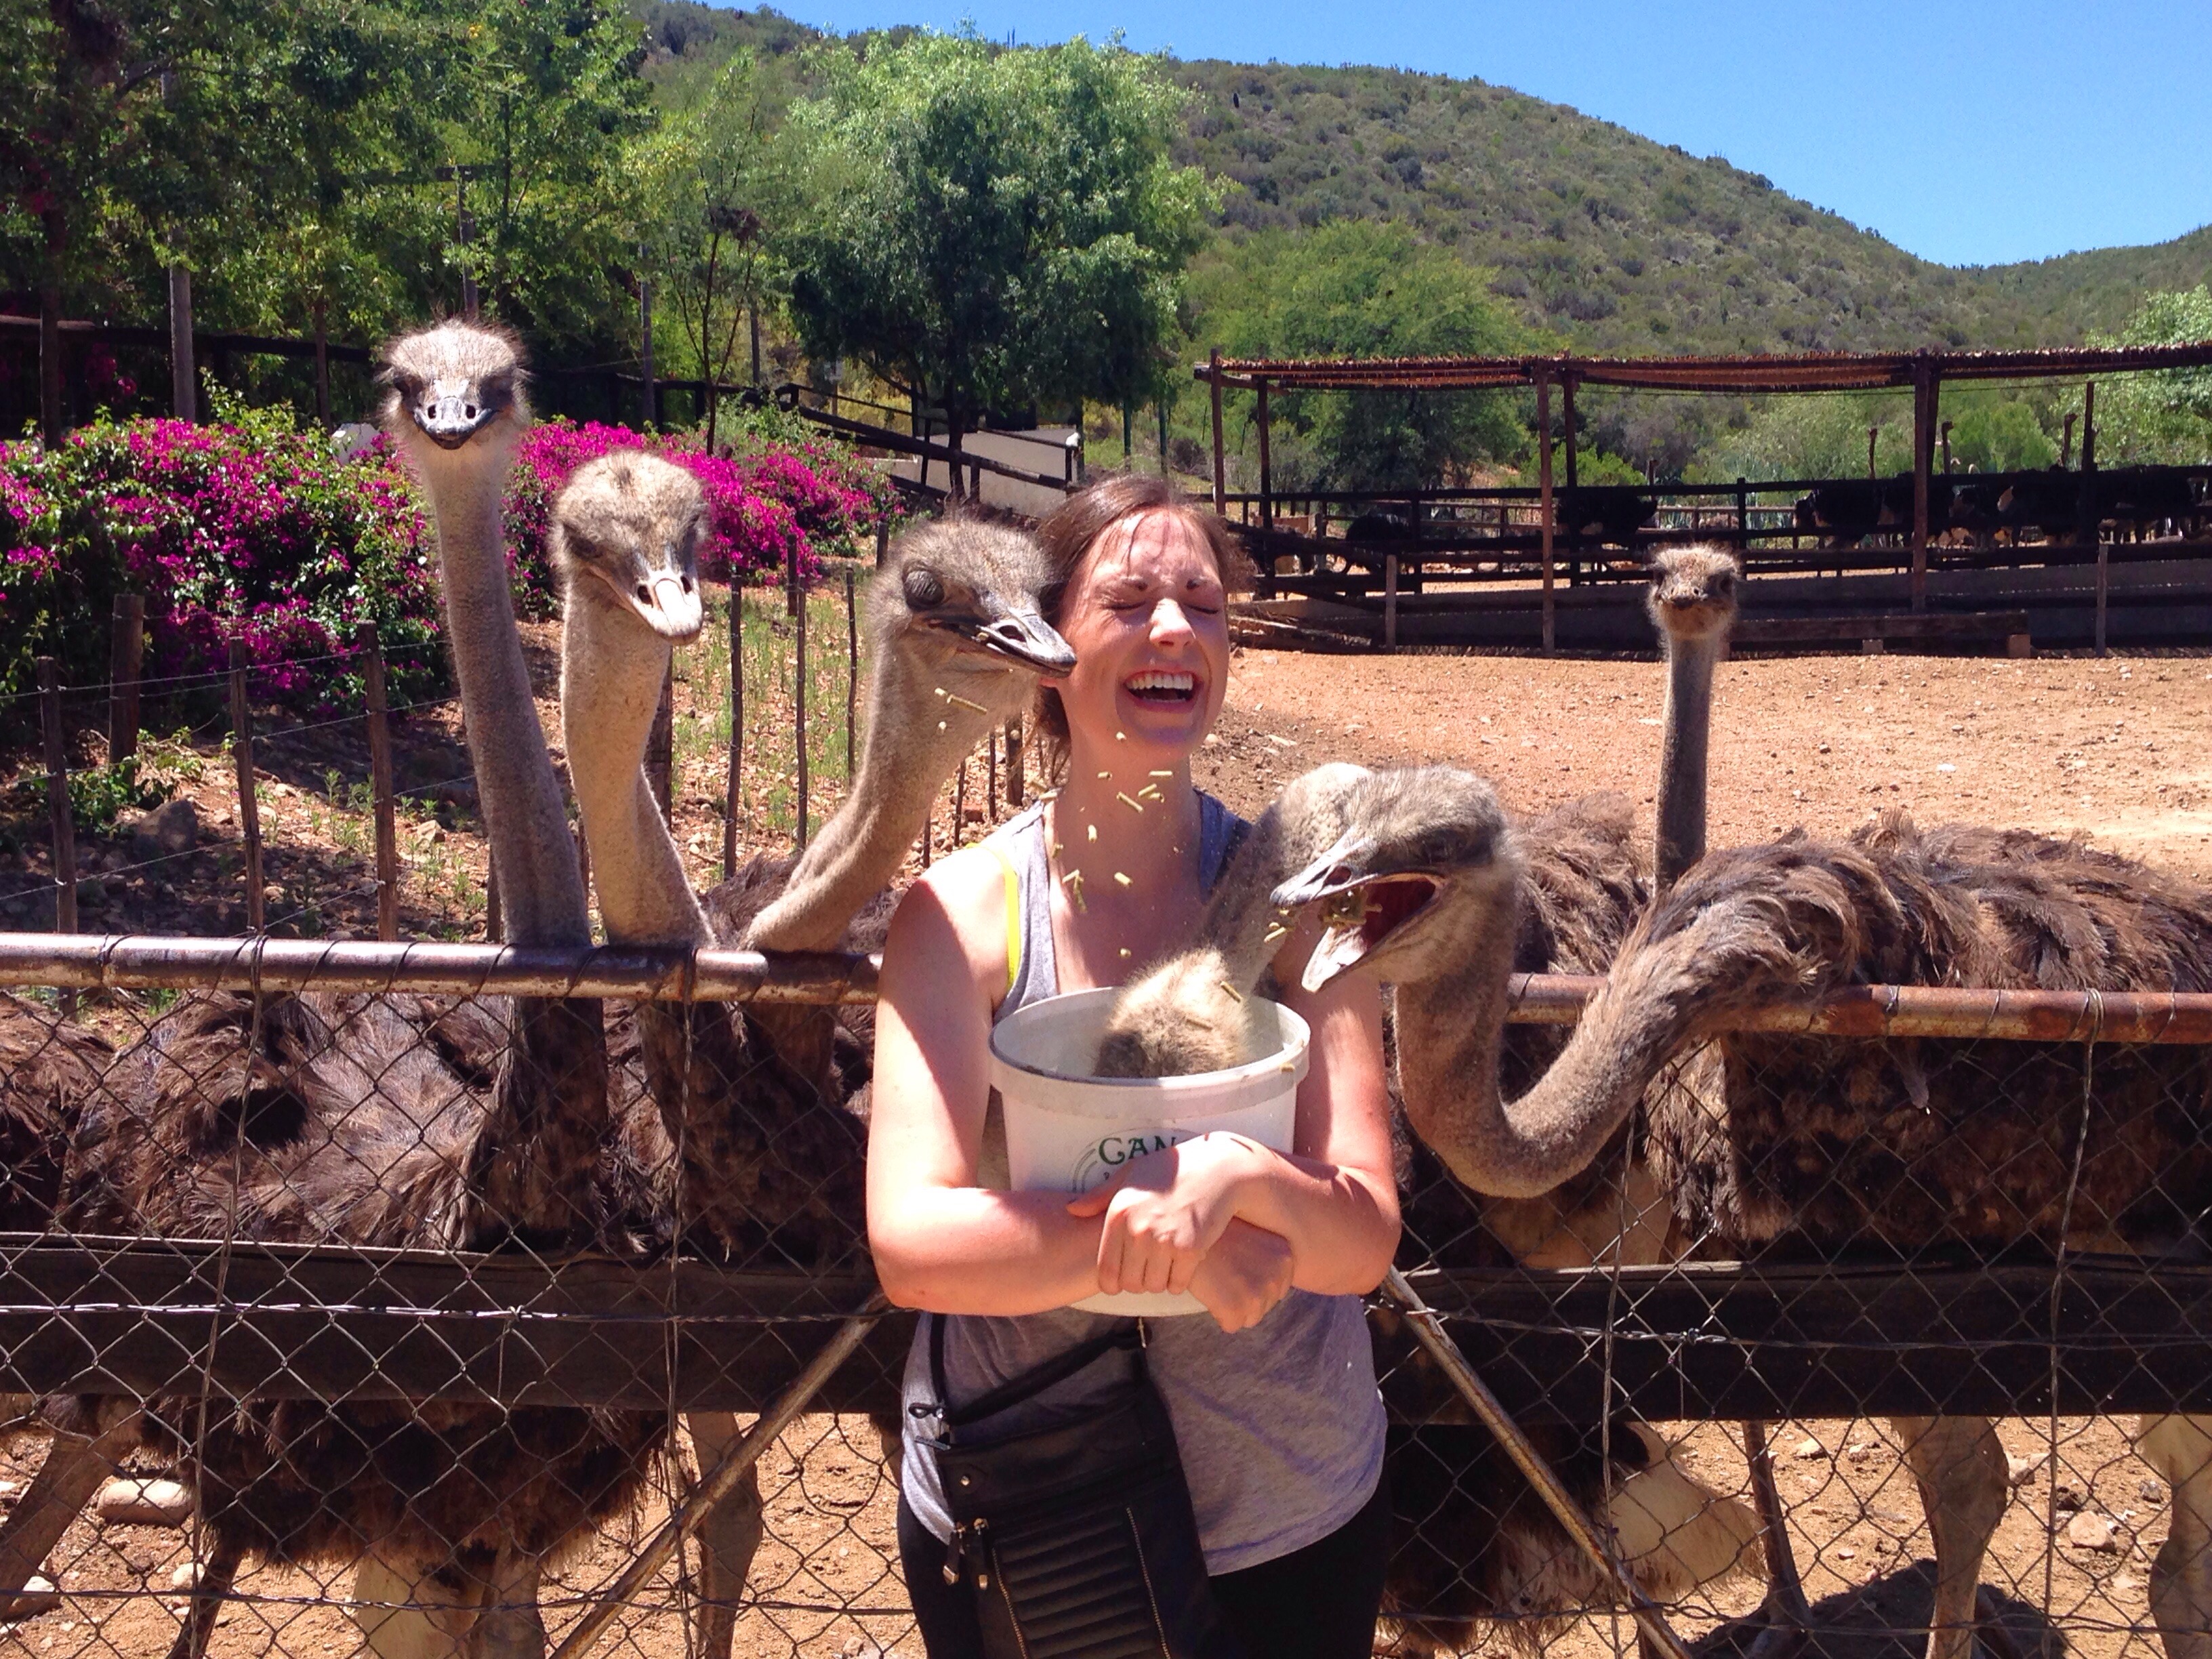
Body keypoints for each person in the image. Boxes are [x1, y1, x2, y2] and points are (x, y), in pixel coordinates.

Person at [869, 473, 1401, 1659]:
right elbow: (913, 1243)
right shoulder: (959, 920)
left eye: (1204, 607)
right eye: (1130, 601)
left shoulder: (1313, 904)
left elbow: (1361, 1232)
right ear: (1054, 643)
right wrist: (1183, 1236)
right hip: (1042, 1516)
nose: (1175, 630)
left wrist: (1232, 1177)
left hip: (1294, 1508)